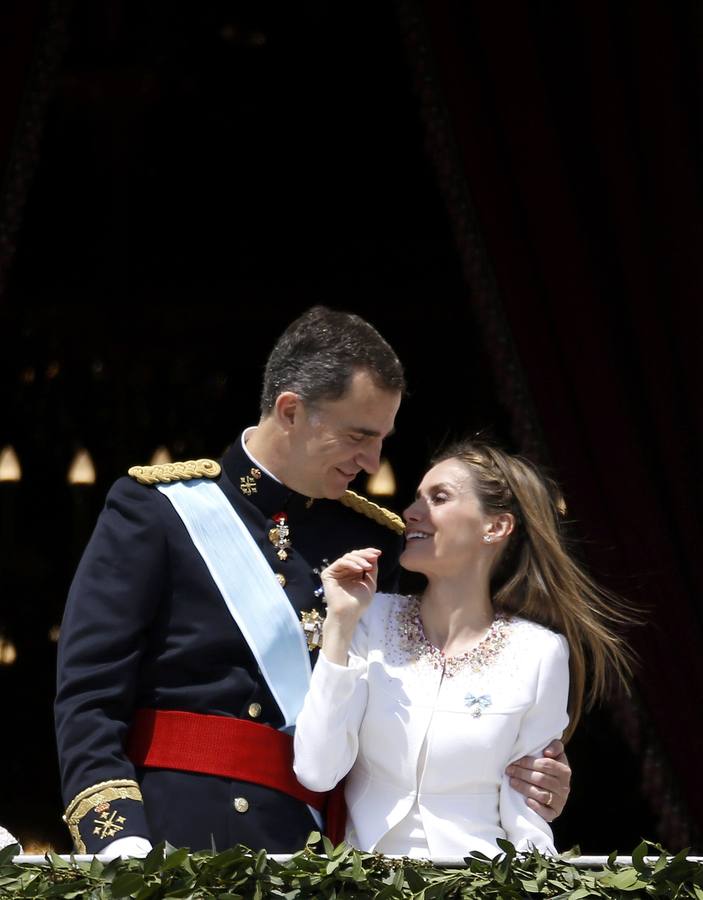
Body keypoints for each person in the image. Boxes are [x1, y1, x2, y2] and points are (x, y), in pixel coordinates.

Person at [55, 307, 571, 858]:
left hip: (316, 852)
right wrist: (119, 845)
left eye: (382, 439)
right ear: (291, 411)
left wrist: (528, 773)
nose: (372, 462)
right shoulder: (158, 513)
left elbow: (434, 687)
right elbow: (90, 700)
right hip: (173, 839)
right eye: (358, 436)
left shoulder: (380, 542)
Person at [294, 440, 632, 858]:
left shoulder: (540, 652)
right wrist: (339, 624)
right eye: (417, 498)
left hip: (481, 878)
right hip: (363, 876)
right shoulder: (369, 618)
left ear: (496, 527)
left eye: (439, 498)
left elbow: (527, 813)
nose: (411, 512)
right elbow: (316, 771)